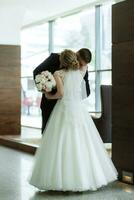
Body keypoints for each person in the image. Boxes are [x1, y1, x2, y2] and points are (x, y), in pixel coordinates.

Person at [29, 49, 118, 192]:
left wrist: (48, 95)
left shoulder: (59, 73)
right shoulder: (81, 70)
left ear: (62, 62)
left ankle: (58, 178)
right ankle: (84, 177)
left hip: (62, 108)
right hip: (77, 109)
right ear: (76, 58)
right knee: (81, 142)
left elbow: (64, 93)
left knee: (58, 142)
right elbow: (38, 71)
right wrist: (45, 85)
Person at [33, 48, 91, 134]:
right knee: (47, 134)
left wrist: (71, 97)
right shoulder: (55, 58)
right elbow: (37, 71)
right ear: (76, 54)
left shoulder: (83, 68)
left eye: (83, 65)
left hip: (69, 109)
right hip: (50, 104)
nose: (79, 66)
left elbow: (87, 91)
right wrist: (47, 88)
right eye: (80, 63)